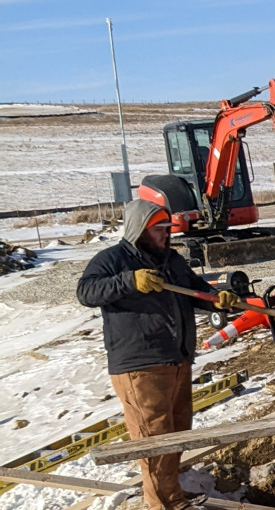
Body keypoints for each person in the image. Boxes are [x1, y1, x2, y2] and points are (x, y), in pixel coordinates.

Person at [76, 199, 241, 510]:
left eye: (168, 229)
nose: (167, 234)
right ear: (140, 229)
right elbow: (86, 292)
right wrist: (129, 280)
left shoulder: (171, 261)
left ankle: (172, 491)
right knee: (155, 440)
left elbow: (196, 290)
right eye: (160, 229)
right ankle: (166, 505)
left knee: (177, 433)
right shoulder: (111, 260)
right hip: (141, 365)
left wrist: (217, 300)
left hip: (176, 358)